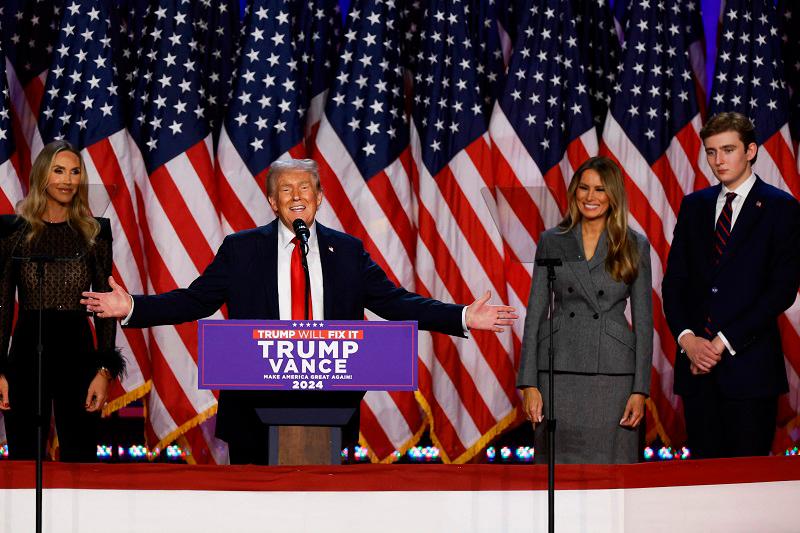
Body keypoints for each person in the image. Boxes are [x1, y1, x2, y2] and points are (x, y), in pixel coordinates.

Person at [81, 158, 517, 464]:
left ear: (320, 198)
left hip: (328, 405)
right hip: (254, 407)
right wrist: (132, 306)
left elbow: (394, 301)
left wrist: (461, 316)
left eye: (303, 188)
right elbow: (196, 300)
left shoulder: (346, 252)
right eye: (285, 189)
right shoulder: (241, 250)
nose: (295, 195)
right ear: (272, 202)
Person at [662, 112, 800, 459]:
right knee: (703, 487)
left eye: (727, 150)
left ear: (750, 150)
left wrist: (721, 343)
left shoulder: (781, 208)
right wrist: (688, 340)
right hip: (696, 372)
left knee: (745, 486)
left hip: (749, 372)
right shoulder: (694, 206)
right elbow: (674, 283)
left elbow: (780, 291)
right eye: (711, 152)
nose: (718, 161)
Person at [518, 156, 653, 464]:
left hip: (613, 375)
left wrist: (640, 390)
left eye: (600, 190)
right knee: (557, 474)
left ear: (613, 195)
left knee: (612, 475)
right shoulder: (552, 241)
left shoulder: (634, 244)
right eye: (584, 188)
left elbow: (645, 324)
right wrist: (529, 382)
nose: (590, 197)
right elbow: (535, 313)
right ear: (574, 191)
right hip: (558, 370)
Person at [0, 140, 123, 462]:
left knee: (80, 455)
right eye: (58, 171)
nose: (68, 180)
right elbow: (1, 306)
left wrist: (104, 371)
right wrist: (0, 371)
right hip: (27, 348)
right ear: (42, 176)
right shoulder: (14, 232)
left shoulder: (94, 233)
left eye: (74, 172)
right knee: (25, 456)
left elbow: (104, 307)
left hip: (77, 350)